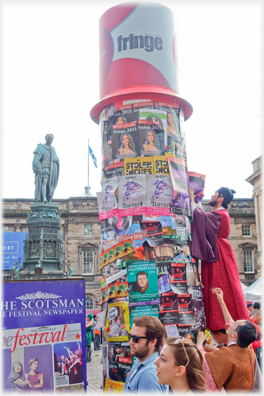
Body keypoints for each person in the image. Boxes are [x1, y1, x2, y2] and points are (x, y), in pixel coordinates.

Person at [190, 186, 249, 331]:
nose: (211, 196)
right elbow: (203, 217)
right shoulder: (219, 214)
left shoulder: (221, 214)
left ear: (221, 198)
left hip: (219, 254)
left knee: (218, 283)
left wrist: (192, 200)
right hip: (219, 251)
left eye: (215, 194)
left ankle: (219, 323)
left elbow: (200, 217)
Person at [196, 287, 257, 391]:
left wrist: (199, 343)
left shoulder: (228, 354)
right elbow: (229, 322)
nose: (232, 322)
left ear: (234, 334)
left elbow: (202, 360)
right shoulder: (247, 348)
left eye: (235, 323)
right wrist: (221, 300)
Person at [124, 316, 168, 393]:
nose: (130, 342)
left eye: (135, 339)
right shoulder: (140, 361)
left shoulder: (148, 375)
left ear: (152, 342)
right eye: (130, 337)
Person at [32, 134, 60, 203]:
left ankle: (46, 197)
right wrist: (39, 168)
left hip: (51, 170)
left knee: (48, 185)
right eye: (49, 138)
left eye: (51, 139)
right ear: (46, 139)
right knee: (44, 182)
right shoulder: (41, 147)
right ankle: (44, 198)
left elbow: (56, 159)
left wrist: (57, 160)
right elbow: (36, 160)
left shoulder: (53, 149)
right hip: (43, 168)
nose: (50, 140)